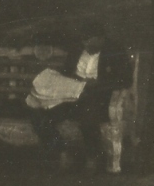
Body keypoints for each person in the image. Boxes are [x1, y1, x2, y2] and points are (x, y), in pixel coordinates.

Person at [26, 33, 127, 167]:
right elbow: (66, 73)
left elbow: (125, 80)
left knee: (88, 115)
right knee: (37, 112)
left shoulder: (113, 53)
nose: (85, 44)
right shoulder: (77, 51)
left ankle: (92, 157)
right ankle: (61, 151)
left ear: (100, 39)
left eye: (89, 41)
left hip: (96, 97)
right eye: (84, 41)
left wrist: (97, 83)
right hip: (70, 96)